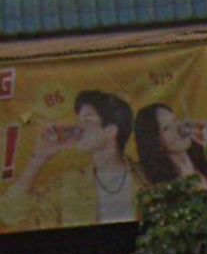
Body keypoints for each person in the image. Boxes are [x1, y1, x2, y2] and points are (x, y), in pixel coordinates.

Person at [0, 90, 145, 230]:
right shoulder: (67, 185)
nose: (79, 127)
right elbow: (9, 215)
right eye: (79, 120)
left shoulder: (147, 177)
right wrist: (38, 159)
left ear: (111, 131)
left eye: (87, 120)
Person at [134, 103, 207, 189]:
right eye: (166, 128)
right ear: (155, 142)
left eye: (175, 120)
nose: (178, 128)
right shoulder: (168, 188)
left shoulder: (204, 164)